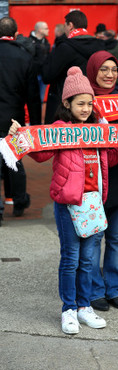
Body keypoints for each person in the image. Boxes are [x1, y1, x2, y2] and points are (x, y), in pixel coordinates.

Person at [9, 67, 118, 334]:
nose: (86, 108)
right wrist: (21, 137)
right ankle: (69, 310)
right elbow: (40, 155)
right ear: (67, 103)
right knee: (71, 259)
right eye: (80, 103)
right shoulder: (60, 129)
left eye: (89, 103)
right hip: (68, 204)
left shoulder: (100, 129)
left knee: (88, 260)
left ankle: (85, 306)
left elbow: (109, 158)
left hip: (94, 204)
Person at [86, 51, 118, 312]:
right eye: (103, 69)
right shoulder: (85, 102)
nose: (109, 75)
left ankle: (114, 289)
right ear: (93, 71)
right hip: (93, 180)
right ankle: (95, 291)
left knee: (116, 239)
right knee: (95, 239)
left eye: (114, 69)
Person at [0, 17, 41, 222]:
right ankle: (19, 200)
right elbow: (32, 95)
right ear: (15, 34)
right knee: (14, 159)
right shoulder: (24, 57)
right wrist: (34, 123)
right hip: (13, 120)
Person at [42, 10, 105, 124]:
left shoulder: (64, 48)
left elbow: (47, 75)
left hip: (65, 109)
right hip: (91, 107)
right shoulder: (100, 46)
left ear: (70, 25)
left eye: (65, 25)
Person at [29, 21, 50, 103]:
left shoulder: (46, 42)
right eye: (46, 28)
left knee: (41, 99)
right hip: (33, 75)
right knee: (32, 99)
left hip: (43, 75)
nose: (48, 30)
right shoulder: (30, 42)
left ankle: (40, 115)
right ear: (40, 30)